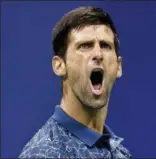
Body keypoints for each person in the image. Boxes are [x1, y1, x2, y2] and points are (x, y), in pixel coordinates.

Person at [19, 6, 131, 158]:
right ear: (59, 65)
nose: (98, 54)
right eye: (85, 46)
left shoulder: (121, 153)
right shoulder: (43, 153)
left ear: (118, 67)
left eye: (105, 46)